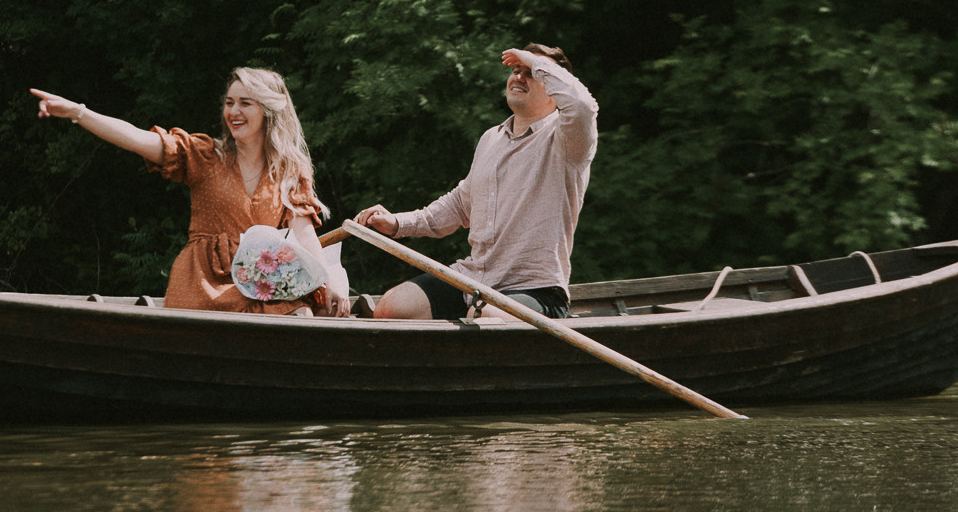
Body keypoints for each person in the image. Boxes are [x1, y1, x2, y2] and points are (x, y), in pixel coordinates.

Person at [30, 68, 346, 317]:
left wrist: (327, 281)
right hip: (205, 283)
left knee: (303, 315)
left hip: (262, 280)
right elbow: (136, 138)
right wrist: (77, 112)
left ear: (269, 111)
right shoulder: (204, 155)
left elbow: (304, 235)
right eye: (229, 102)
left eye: (245, 103)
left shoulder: (290, 169)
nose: (233, 111)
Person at [354, 44, 597, 320]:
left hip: (537, 290)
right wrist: (397, 223)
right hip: (472, 279)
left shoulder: (568, 139)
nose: (518, 76)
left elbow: (583, 106)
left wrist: (534, 60)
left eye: (531, 73)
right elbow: (459, 205)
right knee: (392, 308)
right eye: (516, 70)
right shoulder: (490, 138)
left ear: (553, 90)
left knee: (484, 318)